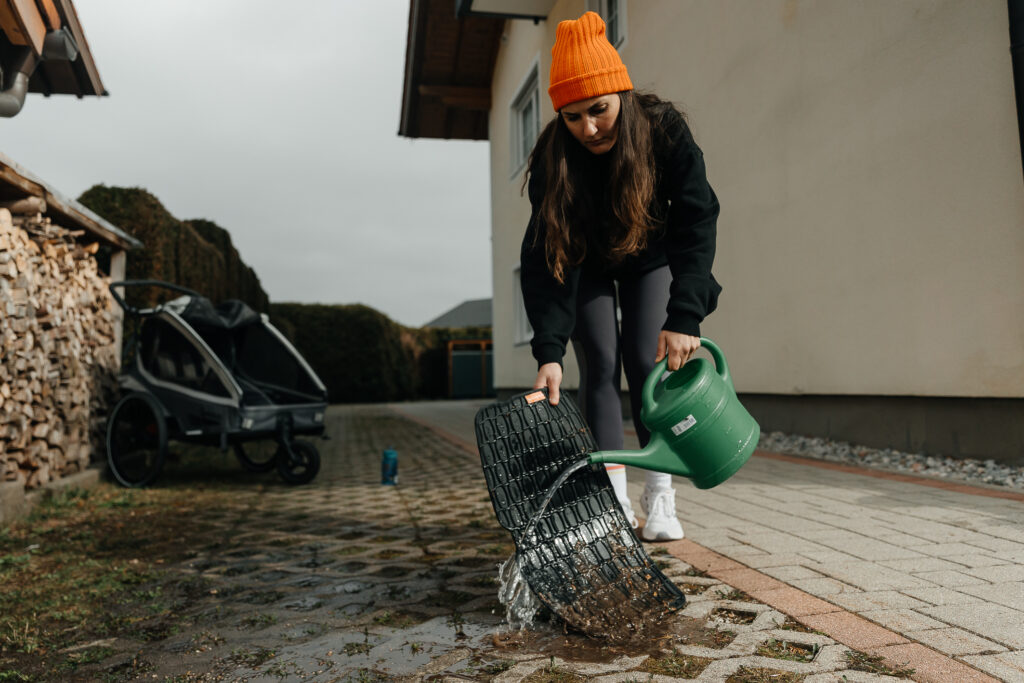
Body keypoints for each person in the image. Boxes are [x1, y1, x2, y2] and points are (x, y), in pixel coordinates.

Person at [520, 11, 721, 541]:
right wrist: (548, 351)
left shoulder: (664, 131)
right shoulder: (553, 157)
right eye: (572, 116)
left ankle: (660, 497)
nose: (587, 128)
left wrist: (685, 315)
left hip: (648, 258)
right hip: (586, 265)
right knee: (601, 365)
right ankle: (611, 505)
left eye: (599, 110)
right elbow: (546, 253)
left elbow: (697, 218)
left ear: (622, 96)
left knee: (646, 361)